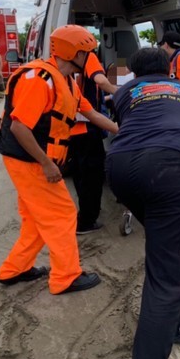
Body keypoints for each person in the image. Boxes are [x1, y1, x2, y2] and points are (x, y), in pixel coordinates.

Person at [105, 47, 180, 359]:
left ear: (134, 72)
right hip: (170, 170)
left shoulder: (125, 92)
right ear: (170, 69)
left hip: (119, 169)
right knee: (167, 275)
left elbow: (130, 122)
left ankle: (178, 325)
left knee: (169, 248)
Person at [0, 24, 119, 295]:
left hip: (34, 159)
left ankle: (14, 269)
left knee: (36, 219)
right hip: (30, 161)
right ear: (72, 53)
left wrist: (127, 131)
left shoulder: (67, 82)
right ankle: (66, 277)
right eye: (87, 53)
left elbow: (93, 115)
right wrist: (47, 164)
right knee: (62, 215)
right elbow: (19, 128)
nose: (91, 59)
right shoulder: (40, 80)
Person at [69, 51, 118, 234]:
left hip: (72, 128)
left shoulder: (65, 62)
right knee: (93, 175)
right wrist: (121, 92)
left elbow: (89, 94)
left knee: (80, 174)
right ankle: (86, 221)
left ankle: (84, 215)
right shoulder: (88, 56)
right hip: (87, 127)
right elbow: (100, 81)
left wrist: (107, 98)